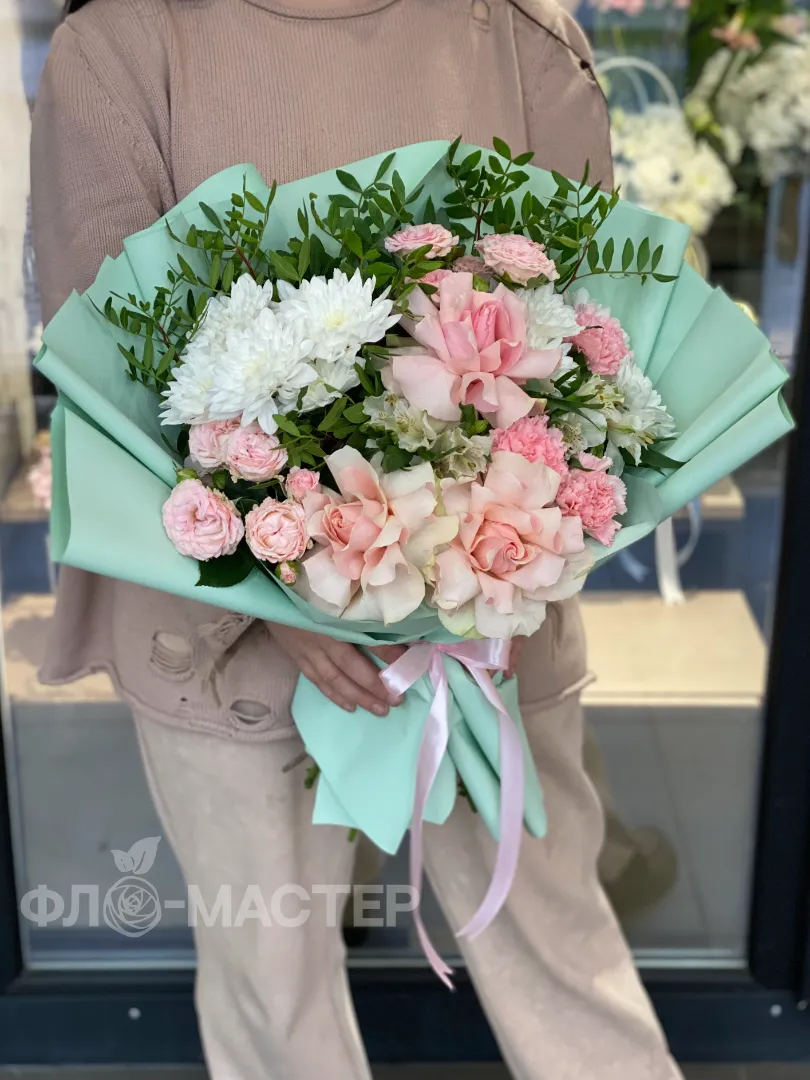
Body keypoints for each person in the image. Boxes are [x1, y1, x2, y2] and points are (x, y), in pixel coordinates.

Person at [31, 1, 683, 1077]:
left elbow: (590, 328)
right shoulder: (127, 42)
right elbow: (107, 357)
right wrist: (289, 591)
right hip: (230, 623)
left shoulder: (513, 28)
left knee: (552, 948)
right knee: (279, 989)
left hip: (480, 612)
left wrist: (462, 555)